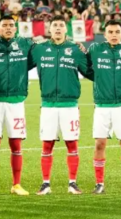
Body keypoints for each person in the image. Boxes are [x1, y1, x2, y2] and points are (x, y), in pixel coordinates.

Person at [29, 16, 89, 195]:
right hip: (48, 105)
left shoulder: (75, 50)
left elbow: (90, 71)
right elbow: (20, 63)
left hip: (70, 105)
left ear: (66, 29)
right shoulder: (39, 49)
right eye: (54, 25)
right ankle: (45, 183)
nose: (57, 28)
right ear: (49, 28)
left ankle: (72, 183)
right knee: (47, 145)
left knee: (72, 144)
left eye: (61, 25)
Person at [85, 20, 121, 194]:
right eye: (110, 32)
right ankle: (99, 183)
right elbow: (84, 65)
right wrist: (98, 80)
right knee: (100, 144)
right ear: (105, 34)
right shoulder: (95, 50)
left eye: (117, 31)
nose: (114, 35)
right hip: (102, 105)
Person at [0, 15, 35, 197]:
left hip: (16, 101)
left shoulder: (25, 44)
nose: (8, 28)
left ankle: (17, 184)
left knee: (16, 143)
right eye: (4, 25)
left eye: (11, 25)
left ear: (16, 28)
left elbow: (41, 54)